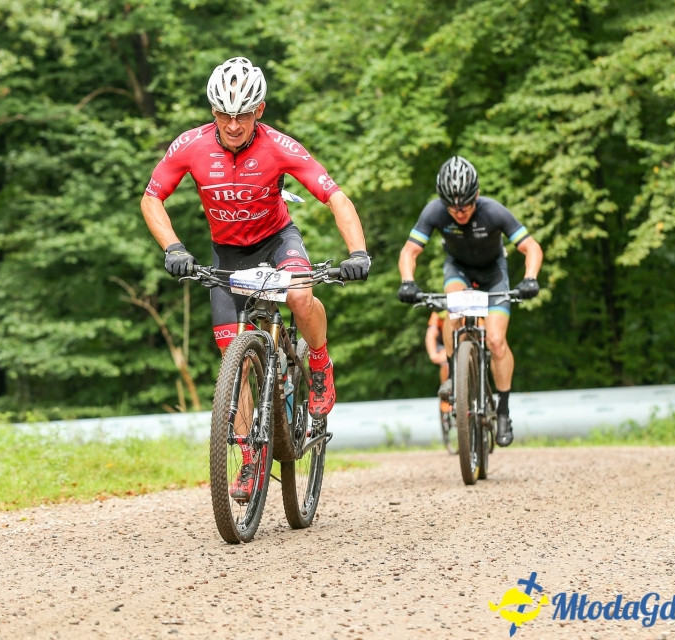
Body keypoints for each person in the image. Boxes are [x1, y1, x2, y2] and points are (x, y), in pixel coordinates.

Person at [141, 56, 370, 499]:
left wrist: (357, 252)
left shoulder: (280, 146)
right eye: (223, 113)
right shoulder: (190, 145)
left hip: (276, 241)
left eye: (242, 114)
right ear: (212, 111)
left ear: (259, 111)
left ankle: (319, 362)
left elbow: (336, 197)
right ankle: (249, 457)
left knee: (302, 297)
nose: (232, 124)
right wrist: (173, 247)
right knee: (236, 362)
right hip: (226, 254)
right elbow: (152, 199)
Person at [397, 155, 542, 447]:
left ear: (476, 195)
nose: (459, 212)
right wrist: (407, 282)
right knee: (455, 306)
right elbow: (409, 252)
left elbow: (532, 248)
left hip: (494, 275)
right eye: (452, 206)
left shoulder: (493, 211)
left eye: (464, 205)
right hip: (459, 271)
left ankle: (502, 411)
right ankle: (455, 374)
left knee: (497, 342)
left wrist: (530, 278)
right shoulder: (435, 211)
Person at [425, 310, 451, 415]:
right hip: (444, 345)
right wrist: (433, 354)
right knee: (446, 363)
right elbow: (431, 334)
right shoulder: (439, 313)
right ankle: (446, 394)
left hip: (464, 342)